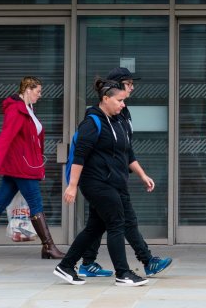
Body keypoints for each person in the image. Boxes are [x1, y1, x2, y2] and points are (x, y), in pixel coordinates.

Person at [53, 75, 152, 286]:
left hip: (114, 183)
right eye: (119, 101)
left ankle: (66, 266)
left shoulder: (118, 121)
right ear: (106, 98)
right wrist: (72, 185)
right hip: (96, 183)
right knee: (117, 223)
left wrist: (143, 175)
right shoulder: (92, 122)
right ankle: (123, 274)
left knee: (95, 228)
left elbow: (127, 153)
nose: (123, 104)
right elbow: (79, 155)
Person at [76, 67, 173, 279]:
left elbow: (126, 148)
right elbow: (86, 152)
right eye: (129, 84)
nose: (132, 88)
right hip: (104, 180)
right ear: (117, 86)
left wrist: (141, 174)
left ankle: (83, 263)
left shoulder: (122, 112)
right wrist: (73, 185)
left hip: (114, 178)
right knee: (122, 221)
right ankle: (144, 262)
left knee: (98, 224)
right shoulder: (100, 117)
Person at [0, 76, 65, 260]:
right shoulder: (16, 109)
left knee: (0, 202)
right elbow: (6, 136)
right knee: (36, 203)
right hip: (21, 166)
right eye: (38, 91)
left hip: (23, 165)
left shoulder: (28, 109)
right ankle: (48, 246)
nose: (40, 95)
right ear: (28, 89)